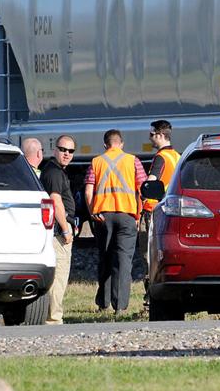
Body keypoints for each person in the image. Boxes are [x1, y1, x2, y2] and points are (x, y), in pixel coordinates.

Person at [84, 129, 146, 314]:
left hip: (103, 216)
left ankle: (103, 303)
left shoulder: (96, 162)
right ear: (122, 143)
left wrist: (92, 212)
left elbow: (88, 191)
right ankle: (120, 307)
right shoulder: (133, 160)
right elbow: (142, 189)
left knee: (105, 258)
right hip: (127, 216)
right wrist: (138, 214)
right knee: (123, 261)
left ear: (105, 145)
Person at [140, 120, 181, 304]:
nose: (150, 138)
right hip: (169, 210)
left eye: (151, 135)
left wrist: (142, 197)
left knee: (149, 254)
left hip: (153, 210)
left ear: (160, 135)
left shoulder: (161, 157)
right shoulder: (177, 156)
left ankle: (150, 297)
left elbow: (151, 181)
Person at [39, 135, 76, 324]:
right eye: (63, 150)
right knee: (59, 276)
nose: (67, 154)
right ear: (55, 150)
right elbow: (55, 200)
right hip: (59, 232)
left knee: (59, 276)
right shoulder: (53, 172)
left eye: (71, 151)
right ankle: (53, 319)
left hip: (59, 229)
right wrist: (66, 229)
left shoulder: (57, 171)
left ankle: (51, 316)